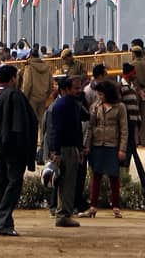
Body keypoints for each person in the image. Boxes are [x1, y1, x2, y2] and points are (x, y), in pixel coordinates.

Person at [0, 63, 39, 237]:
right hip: (14, 149)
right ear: (13, 78)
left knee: (3, 185)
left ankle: (3, 220)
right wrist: (23, 150)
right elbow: (20, 125)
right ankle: (2, 221)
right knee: (14, 184)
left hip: (1, 149)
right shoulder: (15, 96)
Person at [48, 74, 85, 229]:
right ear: (67, 89)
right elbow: (55, 130)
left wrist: (80, 149)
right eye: (76, 88)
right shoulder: (62, 106)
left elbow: (78, 127)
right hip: (65, 149)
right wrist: (55, 152)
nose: (79, 90)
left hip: (71, 148)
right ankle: (64, 215)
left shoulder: (73, 104)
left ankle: (64, 213)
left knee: (67, 183)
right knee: (66, 184)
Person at [86, 78, 127, 217]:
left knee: (114, 177)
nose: (99, 97)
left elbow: (124, 129)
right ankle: (93, 206)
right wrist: (87, 146)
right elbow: (90, 127)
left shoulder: (120, 107)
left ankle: (116, 206)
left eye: (102, 94)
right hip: (97, 144)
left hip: (112, 145)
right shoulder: (95, 107)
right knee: (96, 175)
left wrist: (122, 149)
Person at [118, 61, 145, 190]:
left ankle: (125, 178)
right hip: (128, 125)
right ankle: (143, 182)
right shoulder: (122, 87)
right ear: (129, 74)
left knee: (131, 154)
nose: (135, 75)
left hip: (133, 124)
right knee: (131, 153)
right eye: (134, 73)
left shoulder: (131, 87)